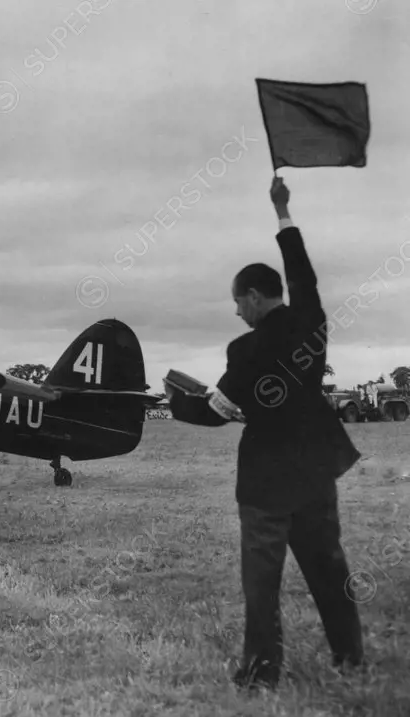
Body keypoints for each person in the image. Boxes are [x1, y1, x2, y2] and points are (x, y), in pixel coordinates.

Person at [166, 177, 363, 689]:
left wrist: (176, 401)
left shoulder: (245, 351)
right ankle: (350, 655)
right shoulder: (313, 323)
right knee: (329, 567)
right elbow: (303, 274)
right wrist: (283, 213)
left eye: (237, 301)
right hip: (317, 471)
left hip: (266, 482)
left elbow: (216, 411)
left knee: (262, 582)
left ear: (253, 297)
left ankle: (260, 673)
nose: (236, 311)